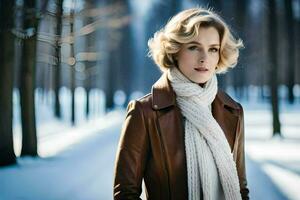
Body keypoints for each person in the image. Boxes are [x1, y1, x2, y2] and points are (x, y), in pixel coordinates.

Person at [113, 7, 249, 200]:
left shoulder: (232, 112)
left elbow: (241, 189)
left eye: (213, 49)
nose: (204, 58)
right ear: (175, 51)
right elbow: (125, 194)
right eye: (194, 47)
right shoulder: (145, 113)